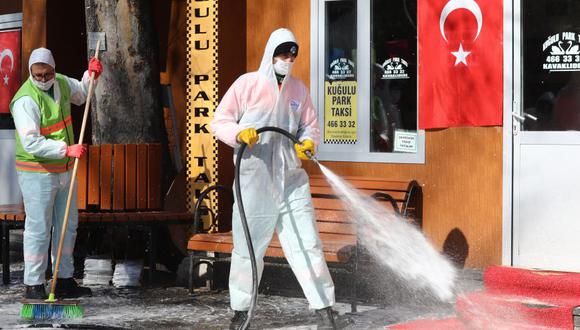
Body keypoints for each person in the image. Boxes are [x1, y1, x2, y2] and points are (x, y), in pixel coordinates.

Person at [211, 28, 341, 330]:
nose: (288, 59)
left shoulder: (299, 90)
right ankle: (241, 311)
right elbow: (220, 121)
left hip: (291, 180)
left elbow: (309, 126)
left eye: (293, 54)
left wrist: (309, 142)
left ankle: (325, 310)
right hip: (254, 182)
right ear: (271, 53)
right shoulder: (248, 85)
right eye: (283, 53)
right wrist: (238, 134)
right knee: (248, 249)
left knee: (307, 244)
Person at [10, 47, 103, 299]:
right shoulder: (25, 99)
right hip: (37, 172)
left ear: (53, 69)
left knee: (66, 226)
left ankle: (63, 279)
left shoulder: (60, 82)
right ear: (31, 72)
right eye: (37, 75)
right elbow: (31, 142)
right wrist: (66, 149)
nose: (42, 79)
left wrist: (91, 75)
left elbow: (82, 94)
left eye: (47, 73)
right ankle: (34, 284)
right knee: (39, 228)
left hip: (64, 170)